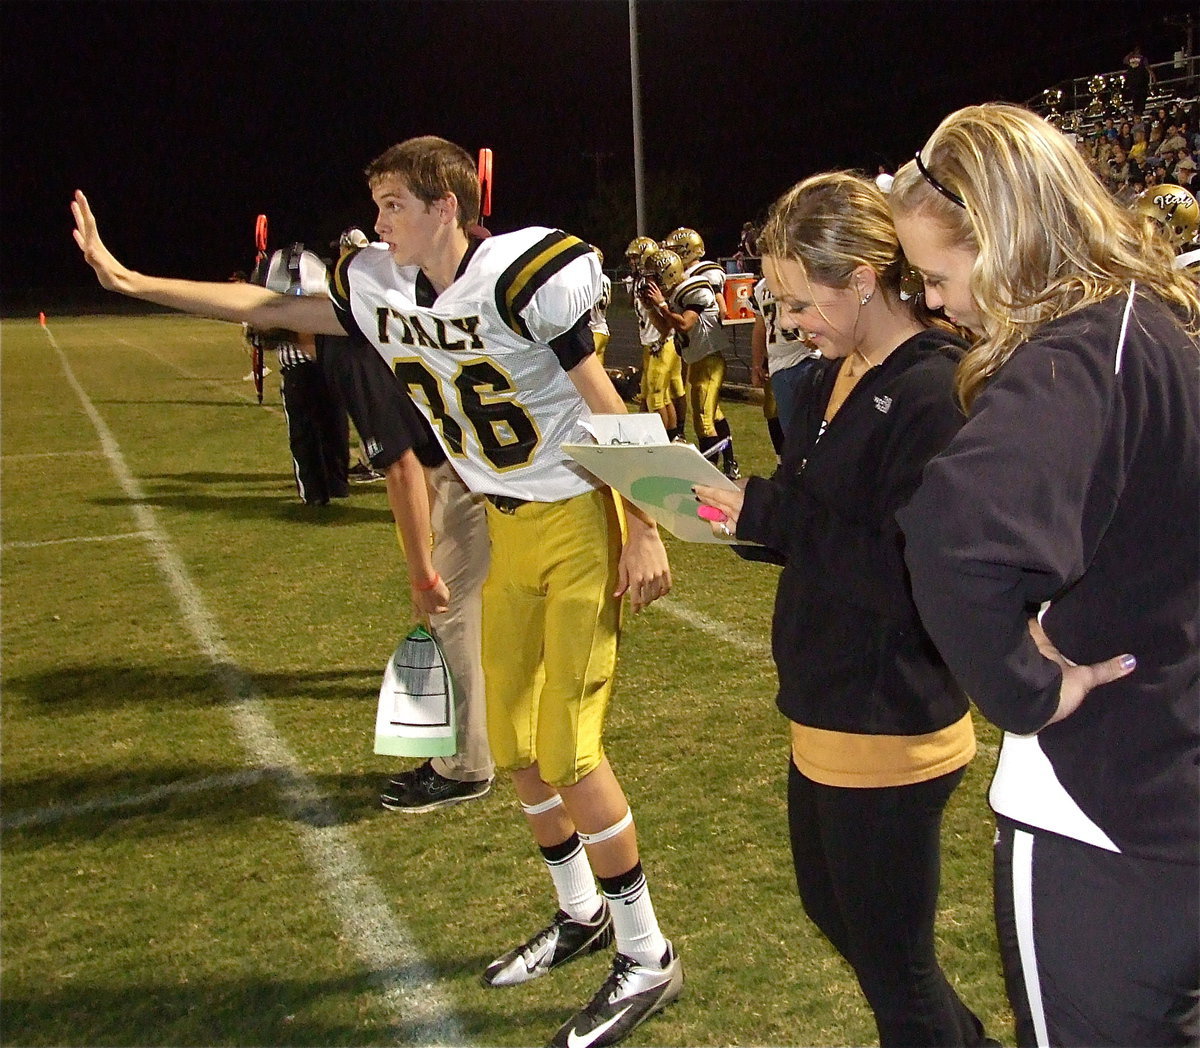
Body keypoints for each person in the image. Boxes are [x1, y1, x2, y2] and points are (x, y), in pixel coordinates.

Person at [71, 133, 682, 1048]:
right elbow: (267, 303)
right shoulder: (382, 288)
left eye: (394, 203)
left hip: (577, 517)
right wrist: (129, 280)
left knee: (568, 749)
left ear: (445, 205)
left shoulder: (521, 274)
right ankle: (581, 913)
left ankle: (647, 953)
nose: (378, 221)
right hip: (506, 522)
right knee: (513, 741)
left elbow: (607, 397)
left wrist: (645, 524)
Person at [888, 102, 1199, 1048]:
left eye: (940, 276)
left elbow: (952, 541)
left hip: (1099, 814)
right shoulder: (1156, 325)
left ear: (1008, 238)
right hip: (1169, 789)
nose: (936, 304)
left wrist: (1029, 688)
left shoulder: (1079, 353)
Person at [695, 171, 992, 1048]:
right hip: (829, 704)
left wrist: (769, 515)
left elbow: (912, 579)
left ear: (862, 279)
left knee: (896, 976)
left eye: (794, 299)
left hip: (888, 716)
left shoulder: (936, 391)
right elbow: (813, 515)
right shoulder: (842, 371)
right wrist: (727, 512)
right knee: (849, 929)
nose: (787, 322)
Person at [317, 322, 496, 812]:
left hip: (462, 474)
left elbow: (403, 467)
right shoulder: (364, 332)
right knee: (467, 618)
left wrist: (422, 575)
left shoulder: (347, 351)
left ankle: (465, 767)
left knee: (451, 617)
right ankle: (477, 748)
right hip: (473, 465)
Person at [641, 246, 741, 479]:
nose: (653, 282)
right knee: (712, 415)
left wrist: (662, 305)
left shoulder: (694, 288)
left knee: (704, 422)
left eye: (656, 276)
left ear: (668, 274)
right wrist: (652, 309)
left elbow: (685, 324)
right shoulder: (678, 294)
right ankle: (729, 464)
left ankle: (709, 476)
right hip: (698, 360)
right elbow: (666, 328)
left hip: (709, 360)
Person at [626, 235, 686, 441]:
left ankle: (669, 439)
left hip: (661, 343)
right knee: (655, 395)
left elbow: (666, 321)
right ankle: (669, 436)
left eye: (636, 258)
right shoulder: (641, 281)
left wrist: (661, 339)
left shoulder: (655, 283)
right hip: (652, 342)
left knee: (657, 399)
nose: (632, 262)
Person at [586, 244, 612, 365]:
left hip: (593, 330)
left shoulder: (587, 280)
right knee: (599, 369)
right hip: (603, 329)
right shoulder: (606, 279)